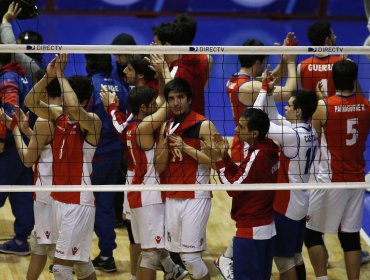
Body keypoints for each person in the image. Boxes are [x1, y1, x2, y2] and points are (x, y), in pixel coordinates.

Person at [215, 35, 297, 279]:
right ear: (259, 63)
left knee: (256, 205)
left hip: (248, 144)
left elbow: (268, 83)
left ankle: (231, 254)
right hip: (249, 149)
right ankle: (230, 256)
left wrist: (282, 59)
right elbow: (288, 90)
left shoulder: (239, 81)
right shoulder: (250, 88)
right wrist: (291, 61)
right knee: (253, 205)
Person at [24, 53, 102, 280]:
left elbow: (76, 111)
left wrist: (61, 75)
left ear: (83, 100)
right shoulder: (58, 116)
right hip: (59, 199)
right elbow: (30, 102)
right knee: (81, 264)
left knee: (61, 267)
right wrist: (48, 77)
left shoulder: (93, 122)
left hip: (79, 201)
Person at [305, 59, 370, 280]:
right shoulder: (366, 106)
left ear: (333, 80)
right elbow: (358, 99)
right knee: (350, 238)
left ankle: (322, 278)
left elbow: (312, 138)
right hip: (357, 180)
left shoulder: (323, 107)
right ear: (354, 79)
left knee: (311, 233)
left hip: (330, 180)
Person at [155, 78, 221, 280]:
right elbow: (159, 166)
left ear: (190, 99)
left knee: (191, 257)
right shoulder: (166, 126)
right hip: (172, 196)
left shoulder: (203, 125)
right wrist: (165, 145)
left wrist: (186, 148)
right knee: (177, 257)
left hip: (196, 195)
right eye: (172, 98)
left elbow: (216, 162)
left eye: (180, 97)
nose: (176, 102)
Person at [254, 74, 319, 280]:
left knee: (283, 261)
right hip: (301, 201)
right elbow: (274, 119)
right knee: (296, 255)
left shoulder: (291, 135)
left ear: (298, 111)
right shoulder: (309, 131)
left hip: (286, 203)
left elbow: (253, 117)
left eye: (290, 105)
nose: (286, 108)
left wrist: (264, 90)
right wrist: (271, 96)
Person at [204, 107, 279, 279]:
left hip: (252, 229)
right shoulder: (269, 148)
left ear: (254, 133)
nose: (236, 129)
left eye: (241, 127)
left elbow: (233, 187)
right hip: (265, 226)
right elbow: (244, 176)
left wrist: (217, 160)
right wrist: (225, 157)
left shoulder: (258, 155)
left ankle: (223, 262)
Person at [0, 72, 61, 280]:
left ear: (44, 91)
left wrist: (15, 128)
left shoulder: (46, 120)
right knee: (39, 247)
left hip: (52, 197)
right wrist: (25, 129)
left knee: (65, 262)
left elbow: (28, 158)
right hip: (51, 193)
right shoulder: (64, 116)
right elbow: (44, 144)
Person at [84, 53, 128, 273]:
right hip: (115, 156)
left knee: (82, 206)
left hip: (93, 158)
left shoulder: (89, 86)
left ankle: (77, 255)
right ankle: (106, 255)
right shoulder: (121, 87)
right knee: (106, 206)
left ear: (89, 64)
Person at [0, 52, 34, 256]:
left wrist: (1, 140)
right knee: (22, 194)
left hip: (11, 146)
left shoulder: (7, 79)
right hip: (26, 144)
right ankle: (21, 240)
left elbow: (10, 112)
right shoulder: (24, 76)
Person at [152, 21, 209, 115]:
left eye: (156, 44)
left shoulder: (178, 72)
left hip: (184, 126)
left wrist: (163, 70)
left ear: (166, 47)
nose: (153, 48)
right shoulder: (195, 58)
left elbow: (168, 103)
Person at [0, 1, 44, 82]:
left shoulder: (33, 66)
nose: (16, 44)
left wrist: (5, 20)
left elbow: (10, 49)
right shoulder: (40, 63)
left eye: (18, 43)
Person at [298, 21, 343, 99]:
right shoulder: (341, 64)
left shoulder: (301, 67)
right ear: (327, 40)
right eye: (333, 34)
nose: (335, 37)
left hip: (313, 110)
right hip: (334, 110)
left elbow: (303, 99)